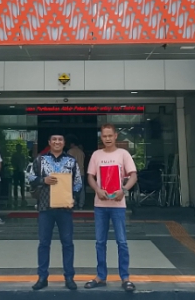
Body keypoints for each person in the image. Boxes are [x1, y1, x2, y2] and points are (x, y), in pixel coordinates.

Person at [86, 123, 138, 292]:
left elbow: (133, 175)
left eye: (110, 135)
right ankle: (101, 276)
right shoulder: (96, 155)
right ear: (101, 137)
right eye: (104, 136)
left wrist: (124, 190)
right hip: (100, 205)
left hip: (118, 205)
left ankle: (125, 277)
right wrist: (97, 190)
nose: (107, 138)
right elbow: (90, 176)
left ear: (116, 136)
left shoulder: (123, 154)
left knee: (121, 242)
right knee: (100, 242)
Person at [28, 132, 82, 291]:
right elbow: (29, 178)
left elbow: (78, 182)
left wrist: (73, 197)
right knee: (44, 243)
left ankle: (69, 277)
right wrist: (42, 180)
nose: (57, 142)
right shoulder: (40, 160)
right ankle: (42, 277)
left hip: (65, 208)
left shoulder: (71, 161)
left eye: (60, 139)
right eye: (54, 139)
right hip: (45, 207)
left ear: (64, 143)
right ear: (49, 142)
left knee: (68, 243)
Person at [66, 134, 86, 209]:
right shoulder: (81, 152)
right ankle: (81, 204)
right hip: (81, 172)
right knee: (82, 189)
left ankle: (74, 203)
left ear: (72, 144)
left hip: (72, 173)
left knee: (71, 188)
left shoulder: (69, 151)